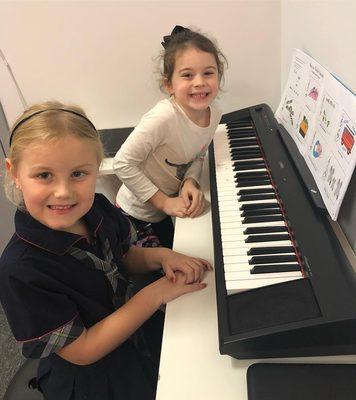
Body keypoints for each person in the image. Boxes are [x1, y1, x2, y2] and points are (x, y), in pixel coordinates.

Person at [0, 101, 212, 400]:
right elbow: (83, 350)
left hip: (134, 335)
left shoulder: (97, 208)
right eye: (44, 175)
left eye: (78, 174)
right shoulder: (20, 270)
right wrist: (155, 294)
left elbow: (124, 257)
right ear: (15, 173)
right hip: (94, 380)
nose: (63, 192)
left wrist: (162, 256)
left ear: (96, 168)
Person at [114, 25, 227, 248]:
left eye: (208, 73)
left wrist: (190, 181)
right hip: (134, 214)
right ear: (169, 85)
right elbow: (122, 163)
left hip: (163, 211)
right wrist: (164, 202)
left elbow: (199, 155)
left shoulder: (214, 115)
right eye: (187, 75)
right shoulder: (163, 117)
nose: (199, 82)